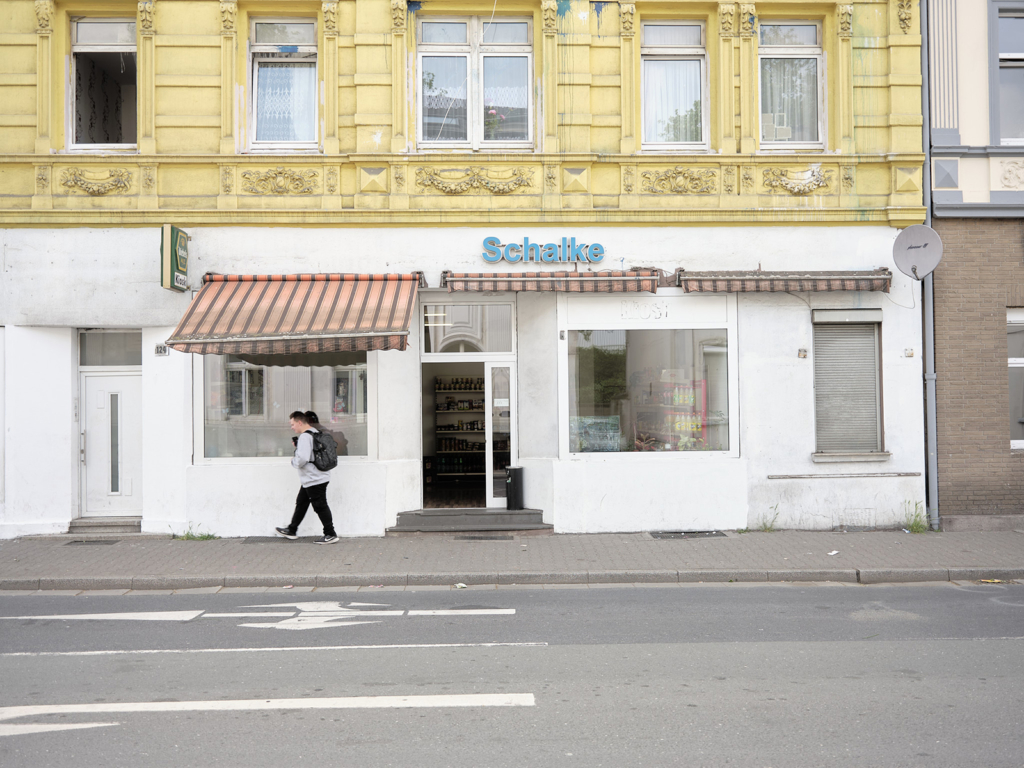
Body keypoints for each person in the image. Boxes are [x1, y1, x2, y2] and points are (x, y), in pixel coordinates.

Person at [275, 410, 338, 544]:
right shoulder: (314, 432)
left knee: (320, 506)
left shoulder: (305, 437)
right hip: (315, 477)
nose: (291, 427)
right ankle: (292, 529)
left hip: (314, 478)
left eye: (292, 424)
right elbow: (312, 452)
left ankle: (330, 534)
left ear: (299, 422)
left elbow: (302, 459)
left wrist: (293, 461)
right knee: (302, 503)